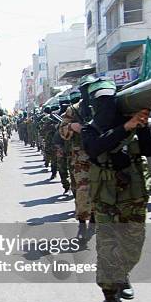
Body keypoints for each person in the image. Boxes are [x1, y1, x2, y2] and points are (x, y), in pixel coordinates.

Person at [82, 78, 151, 302]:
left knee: (134, 245)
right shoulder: (90, 129)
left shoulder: (134, 122)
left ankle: (123, 274)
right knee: (107, 249)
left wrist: (143, 126)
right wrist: (126, 127)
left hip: (134, 194)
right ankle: (111, 301)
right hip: (106, 198)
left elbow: (149, 150)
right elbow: (94, 147)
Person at [59, 85, 93, 232]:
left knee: (101, 189)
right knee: (83, 190)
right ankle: (82, 220)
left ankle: (95, 219)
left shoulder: (103, 104)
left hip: (101, 155)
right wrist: (72, 127)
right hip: (81, 157)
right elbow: (62, 131)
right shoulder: (73, 109)